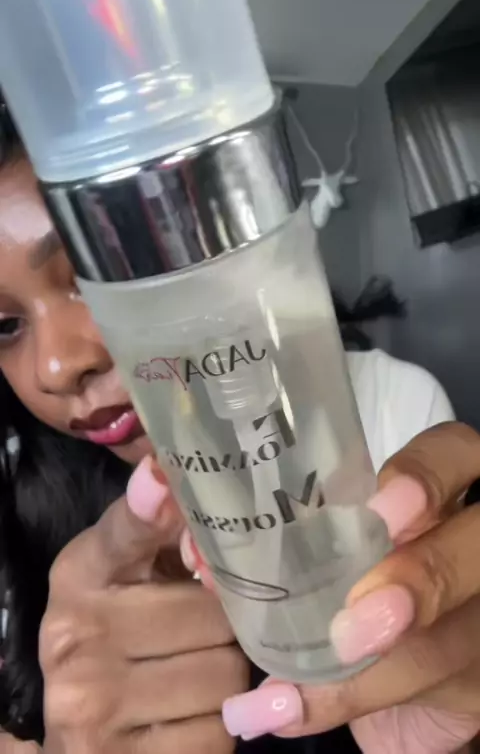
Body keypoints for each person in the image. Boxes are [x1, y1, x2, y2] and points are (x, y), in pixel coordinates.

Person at [0, 122, 478, 754]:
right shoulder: (23, 514)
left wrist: (450, 732)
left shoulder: (385, 406)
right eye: (4, 326)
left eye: (92, 277)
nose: (56, 366)